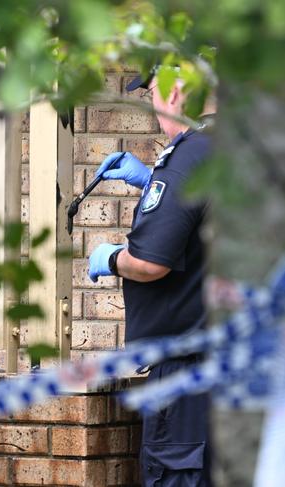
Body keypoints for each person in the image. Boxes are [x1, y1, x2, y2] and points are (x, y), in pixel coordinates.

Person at [88, 71, 216, 486]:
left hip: (187, 382)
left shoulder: (187, 157)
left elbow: (150, 262)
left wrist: (109, 259)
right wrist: (152, 183)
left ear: (176, 91)